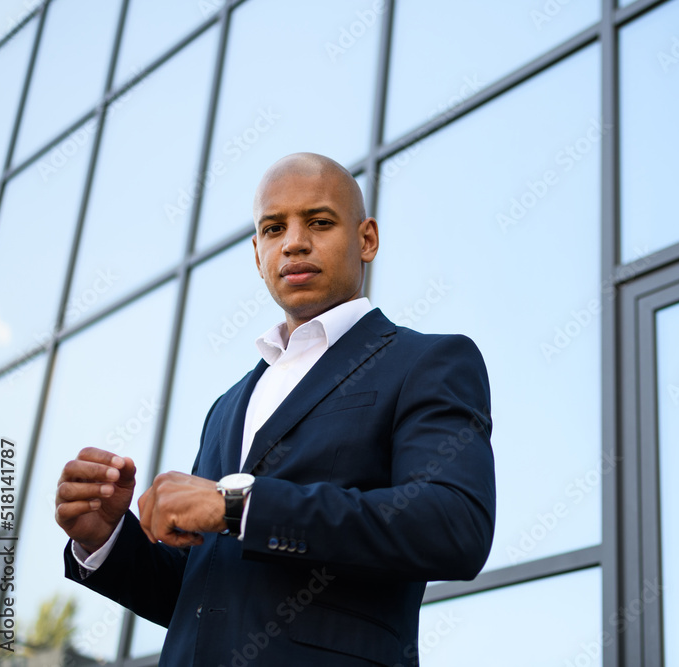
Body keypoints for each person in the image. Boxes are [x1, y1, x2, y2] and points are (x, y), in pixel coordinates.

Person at [54, 153, 496, 666]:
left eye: (319, 222)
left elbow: (452, 526)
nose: (293, 243)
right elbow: (203, 596)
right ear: (257, 253)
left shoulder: (426, 361)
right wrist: (107, 539)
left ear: (367, 239)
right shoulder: (226, 407)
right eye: (273, 228)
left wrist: (238, 505)